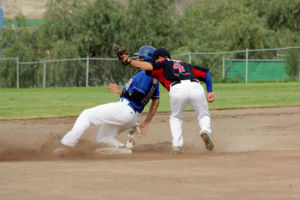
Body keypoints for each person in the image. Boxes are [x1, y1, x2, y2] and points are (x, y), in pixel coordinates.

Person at [53, 46, 160, 155]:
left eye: (140, 58)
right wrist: (147, 122)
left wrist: (120, 91)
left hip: (125, 110)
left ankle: (66, 144)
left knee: (87, 115)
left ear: (147, 59)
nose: (137, 60)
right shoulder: (154, 79)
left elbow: (137, 96)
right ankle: (122, 148)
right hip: (131, 116)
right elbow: (156, 101)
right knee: (103, 138)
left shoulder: (145, 74)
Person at [122, 48, 214, 154]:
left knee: (176, 118)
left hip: (177, 88)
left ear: (161, 58)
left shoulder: (163, 62)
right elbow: (205, 74)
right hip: (196, 87)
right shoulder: (186, 64)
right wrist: (210, 91)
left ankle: (177, 146)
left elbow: (148, 66)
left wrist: (129, 61)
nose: (155, 62)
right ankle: (205, 130)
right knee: (203, 115)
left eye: (156, 59)